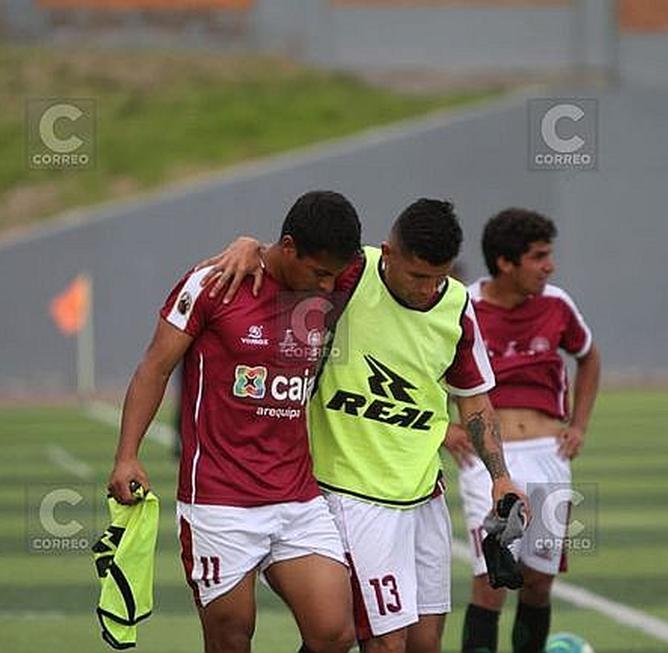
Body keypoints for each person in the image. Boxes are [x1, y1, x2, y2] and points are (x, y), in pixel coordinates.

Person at [205, 198, 527, 653]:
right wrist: (251, 246)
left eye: (439, 277)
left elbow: (474, 399)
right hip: (349, 495)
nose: (426, 289)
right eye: (418, 276)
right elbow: (293, 256)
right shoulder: (350, 275)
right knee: (382, 643)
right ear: (387, 253)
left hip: (421, 495)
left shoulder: (455, 305)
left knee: (424, 643)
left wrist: (501, 478)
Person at [106, 190, 363, 653]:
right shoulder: (214, 283)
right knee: (230, 637)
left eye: (334, 276)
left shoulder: (332, 283)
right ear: (289, 247)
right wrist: (127, 456)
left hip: (297, 496)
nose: (328, 287)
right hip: (219, 501)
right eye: (319, 272)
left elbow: (383, 257)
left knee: (334, 633)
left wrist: (252, 241)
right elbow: (155, 367)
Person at [451, 208, 600, 653]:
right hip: (489, 462)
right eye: (539, 257)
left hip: (549, 457)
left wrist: (579, 425)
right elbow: (425, 368)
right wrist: (443, 426)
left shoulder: (558, 304)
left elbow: (589, 356)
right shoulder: (463, 306)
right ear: (505, 262)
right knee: (492, 578)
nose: (549, 266)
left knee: (538, 584)